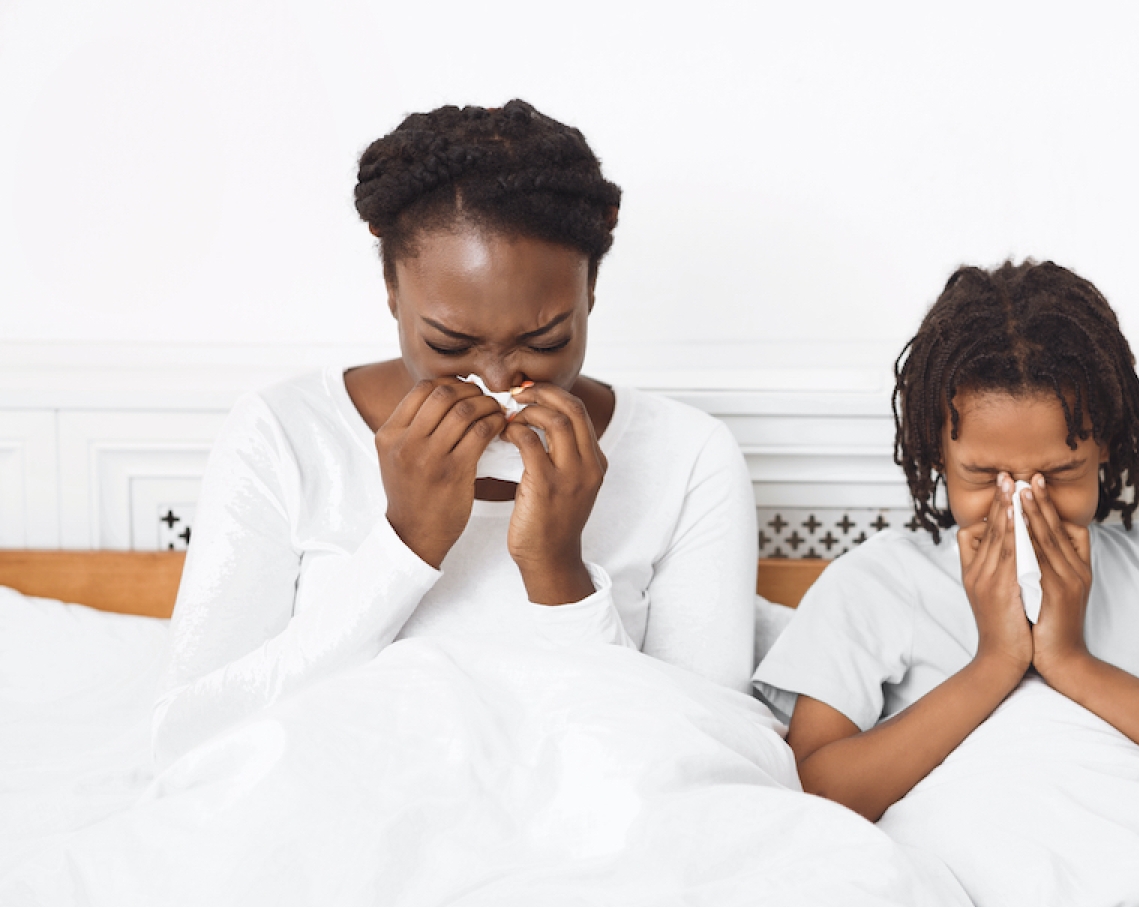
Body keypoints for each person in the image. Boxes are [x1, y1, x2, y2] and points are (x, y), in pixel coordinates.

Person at [154, 101, 756, 765]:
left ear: (591, 288)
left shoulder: (689, 454)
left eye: (546, 340)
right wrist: (406, 544)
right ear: (391, 290)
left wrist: (558, 570)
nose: (496, 379)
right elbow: (188, 738)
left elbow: (712, 754)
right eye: (449, 343)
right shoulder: (285, 432)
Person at [753, 259, 1139, 822]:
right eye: (984, 477)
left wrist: (1071, 662)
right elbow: (818, 795)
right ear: (937, 456)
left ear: (1105, 449)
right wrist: (995, 662)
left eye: (1062, 474)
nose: (1026, 502)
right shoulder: (874, 584)